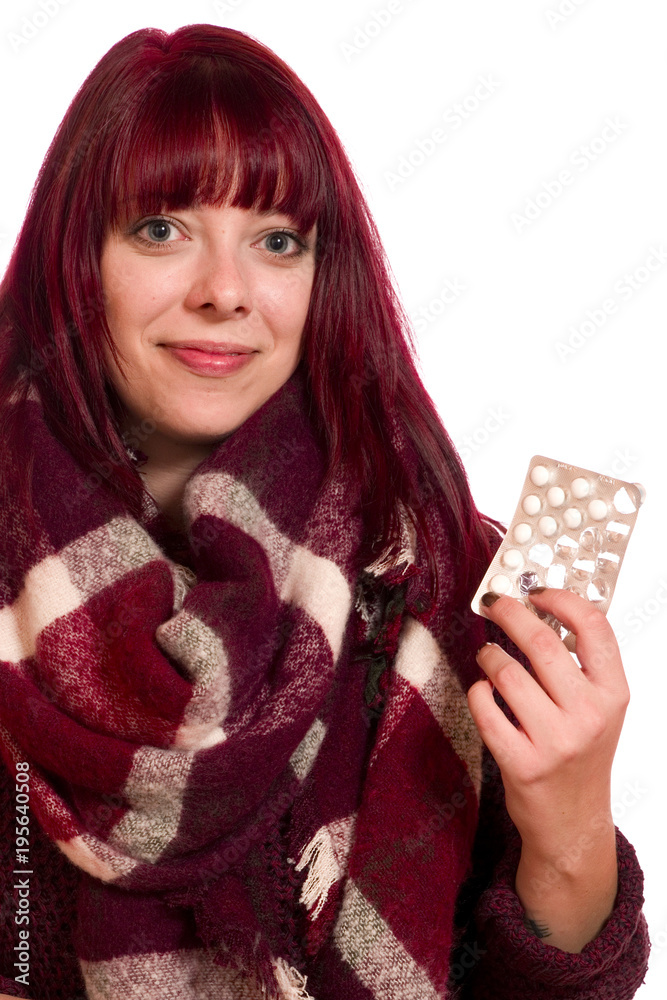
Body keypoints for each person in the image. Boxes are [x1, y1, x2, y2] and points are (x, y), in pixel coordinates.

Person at [0, 23, 649, 1000]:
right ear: (73, 258)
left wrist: (566, 818)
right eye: (162, 228)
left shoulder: (437, 573)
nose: (226, 291)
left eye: (275, 240)